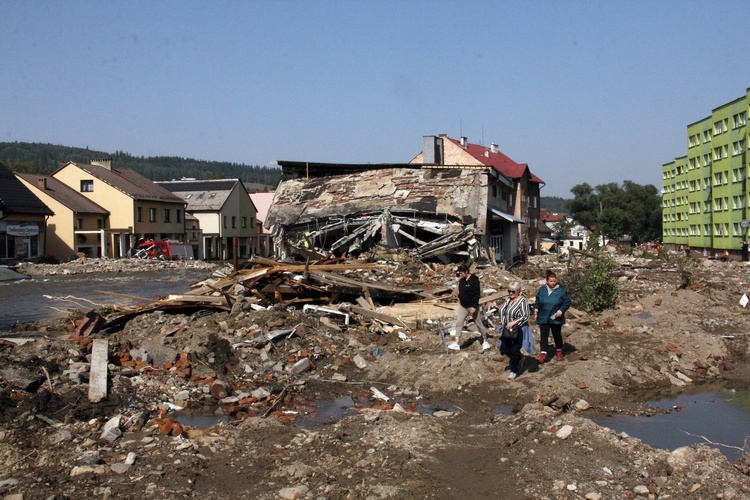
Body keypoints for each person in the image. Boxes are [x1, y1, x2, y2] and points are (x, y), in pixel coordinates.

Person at [448, 264, 490, 352]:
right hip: (463, 306)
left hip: (472, 306)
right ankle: (457, 342)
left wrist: (475, 306)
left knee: (478, 323)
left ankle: (485, 340)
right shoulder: (462, 281)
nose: (460, 275)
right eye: (459, 273)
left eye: (461, 273)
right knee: (459, 322)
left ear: (466, 272)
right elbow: (461, 291)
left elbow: (477, 294)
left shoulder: (474, 280)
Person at [534, 270, 571, 363]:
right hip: (543, 316)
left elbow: (567, 302)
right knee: (543, 336)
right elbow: (538, 301)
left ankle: (559, 350)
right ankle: (543, 354)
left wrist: (561, 310)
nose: (553, 283)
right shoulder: (542, 290)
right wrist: (536, 311)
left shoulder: (561, 290)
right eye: (551, 281)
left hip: (556, 317)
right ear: (547, 281)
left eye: (554, 281)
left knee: (556, 335)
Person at [497, 281, 530, 380]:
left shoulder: (522, 301)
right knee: (504, 348)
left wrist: (514, 322)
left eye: (513, 291)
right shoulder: (507, 300)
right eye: (509, 291)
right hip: (506, 328)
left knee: (515, 349)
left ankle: (514, 370)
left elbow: (525, 315)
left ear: (518, 291)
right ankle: (520, 358)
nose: (511, 293)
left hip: (518, 328)